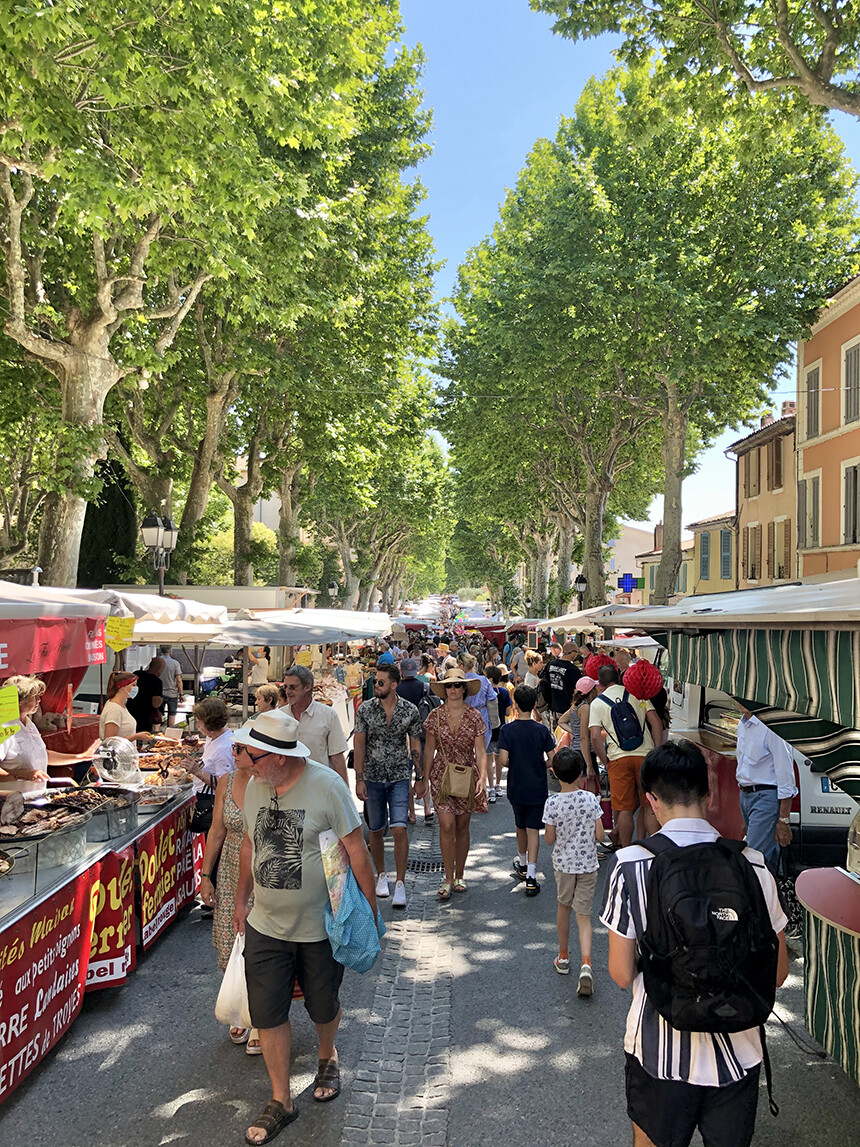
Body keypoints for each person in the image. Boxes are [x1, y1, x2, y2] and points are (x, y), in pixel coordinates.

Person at [600, 739, 789, 1147]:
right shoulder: (753, 865)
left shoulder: (631, 866)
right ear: (708, 794)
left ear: (651, 800)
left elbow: (619, 973)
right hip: (739, 1050)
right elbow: (778, 971)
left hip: (658, 1051)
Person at [233, 710, 377, 1140]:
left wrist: (368, 913)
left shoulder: (327, 786)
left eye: (252, 756)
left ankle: (327, 1054)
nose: (245, 762)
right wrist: (240, 901)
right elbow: (247, 844)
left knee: (321, 1003)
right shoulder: (255, 785)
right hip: (266, 924)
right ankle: (281, 1099)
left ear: (280, 757)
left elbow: (357, 851)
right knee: (267, 1011)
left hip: (320, 926)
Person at [198, 731, 260, 1054]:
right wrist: (206, 875)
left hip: (262, 870)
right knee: (231, 940)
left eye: (239, 748)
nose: (233, 752)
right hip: (230, 869)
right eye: (233, 747)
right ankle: (242, 1005)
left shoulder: (268, 781)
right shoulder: (225, 781)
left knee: (260, 945)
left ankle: (259, 1016)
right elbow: (217, 830)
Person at [353, 663, 424, 909]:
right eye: (375, 681)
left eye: (381, 682)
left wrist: (421, 777)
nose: (376, 685)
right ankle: (381, 874)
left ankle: (401, 882)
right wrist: (359, 778)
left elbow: (415, 744)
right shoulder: (365, 710)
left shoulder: (410, 711)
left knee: (399, 828)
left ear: (394, 685)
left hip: (399, 775)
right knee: (375, 828)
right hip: (372, 776)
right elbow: (359, 745)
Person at [543, 747, 604, 993]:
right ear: (581, 773)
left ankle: (564, 956)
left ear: (555, 775)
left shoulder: (553, 803)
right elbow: (600, 834)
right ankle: (586, 963)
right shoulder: (590, 799)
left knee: (563, 907)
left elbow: (548, 839)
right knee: (584, 915)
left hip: (564, 865)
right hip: (588, 864)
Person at [424, 668, 488, 899]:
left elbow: (481, 751)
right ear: (444, 689)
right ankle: (448, 877)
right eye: (449, 685)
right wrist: (424, 777)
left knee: (462, 826)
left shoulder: (474, 716)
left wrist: (482, 777)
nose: (453, 689)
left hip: (465, 774)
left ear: (464, 689)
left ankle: (460, 874)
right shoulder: (435, 715)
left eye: (457, 685)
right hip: (441, 775)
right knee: (446, 825)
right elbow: (429, 749)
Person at [589, 664, 663, 848]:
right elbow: (656, 722)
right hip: (645, 756)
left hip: (617, 758)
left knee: (624, 809)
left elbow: (595, 736)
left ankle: (625, 848)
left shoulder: (597, 703)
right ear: (619, 677)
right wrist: (656, 751)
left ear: (600, 682)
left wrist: (605, 760)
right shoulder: (636, 694)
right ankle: (654, 847)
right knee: (649, 804)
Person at [497, 684, 556, 897]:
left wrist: (518, 762)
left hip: (517, 784)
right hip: (537, 784)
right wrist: (539, 764)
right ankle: (532, 874)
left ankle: (522, 863)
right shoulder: (542, 730)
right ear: (533, 705)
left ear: (515, 704)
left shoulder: (507, 730)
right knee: (534, 829)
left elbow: (503, 760)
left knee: (520, 825)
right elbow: (552, 758)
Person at [735, 703, 797, 872]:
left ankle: (758, 896)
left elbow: (786, 776)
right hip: (746, 795)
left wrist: (783, 819)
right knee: (761, 857)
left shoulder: (772, 728)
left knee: (753, 858)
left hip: (766, 797)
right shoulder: (742, 725)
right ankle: (769, 894)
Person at [280, 665, 349, 785]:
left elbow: (337, 757)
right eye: (285, 687)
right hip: (287, 787)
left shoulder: (328, 715)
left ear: (307, 687)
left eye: (293, 687)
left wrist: (344, 792)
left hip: (319, 786)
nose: (287, 692)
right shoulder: (279, 716)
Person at [395, 659, 434, 824]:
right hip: (423, 735)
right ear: (416, 671)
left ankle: (411, 812)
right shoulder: (425, 687)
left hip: (402, 738)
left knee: (407, 776)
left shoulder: (396, 689)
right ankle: (427, 809)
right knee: (424, 774)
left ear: (402, 671)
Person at [0, 676, 52, 786]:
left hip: (35, 798)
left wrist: (80, 756)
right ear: (19, 701)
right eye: (34, 697)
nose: (39, 700)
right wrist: (25, 775)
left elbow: (39, 754)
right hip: (11, 800)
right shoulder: (4, 727)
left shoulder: (29, 723)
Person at [189, 697, 235, 795]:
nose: (197, 726)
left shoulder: (223, 748)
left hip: (210, 798)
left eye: (199, 722)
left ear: (210, 724)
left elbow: (224, 784)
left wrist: (197, 771)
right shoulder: (212, 736)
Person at [558, 676, 599, 778]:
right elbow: (583, 738)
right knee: (590, 789)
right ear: (592, 691)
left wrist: (575, 731)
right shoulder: (585, 707)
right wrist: (589, 765)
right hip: (585, 753)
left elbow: (561, 721)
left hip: (575, 750)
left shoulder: (575, 706)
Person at [99, 672, 154, 744]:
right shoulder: (114, 709)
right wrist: (136, 736)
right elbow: (109, 741)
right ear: (123, 687)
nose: (136, 688)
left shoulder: (121, 704)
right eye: (133, 685)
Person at [484, 664, 511, 803]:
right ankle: (498, 784)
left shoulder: (483, 693)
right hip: (501, 729)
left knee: (488, 759)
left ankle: (491, 787)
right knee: (498, 758)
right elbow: (508, 712)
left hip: (488, 729)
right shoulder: (504, 692)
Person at [543, 641, 583, 729]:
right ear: (572, 652)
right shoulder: (574, 670)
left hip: (552, 706)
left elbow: (543, 681)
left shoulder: (551, 664)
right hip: (566, 709)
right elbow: (577, 691)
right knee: (566, 737)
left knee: (555, 735)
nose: (577, 655)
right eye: (576, 652)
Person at [460, 652, 495, 749]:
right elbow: (492, 698)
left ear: (461, 666)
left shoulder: (457, 682)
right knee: (481, 751)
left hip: (462, 716)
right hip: (482, 716)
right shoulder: (484, 680)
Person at [127, 656, 165, 733]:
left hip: (130, 710)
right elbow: (155, 704)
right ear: (160, 670)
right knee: (142, 737)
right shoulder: (157, 682)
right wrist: (161, 700)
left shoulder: (136, 674)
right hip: (145, 715)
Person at [158, 645, 185, 726]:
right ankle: (170, 734)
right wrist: (181, 694)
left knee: (158, 715)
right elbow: (178, 680)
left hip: (159, 694)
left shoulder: (156, 662)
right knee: (172, 715)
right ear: (170, 651)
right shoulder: (175, 663)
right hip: (172, 694)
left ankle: (156, 732)